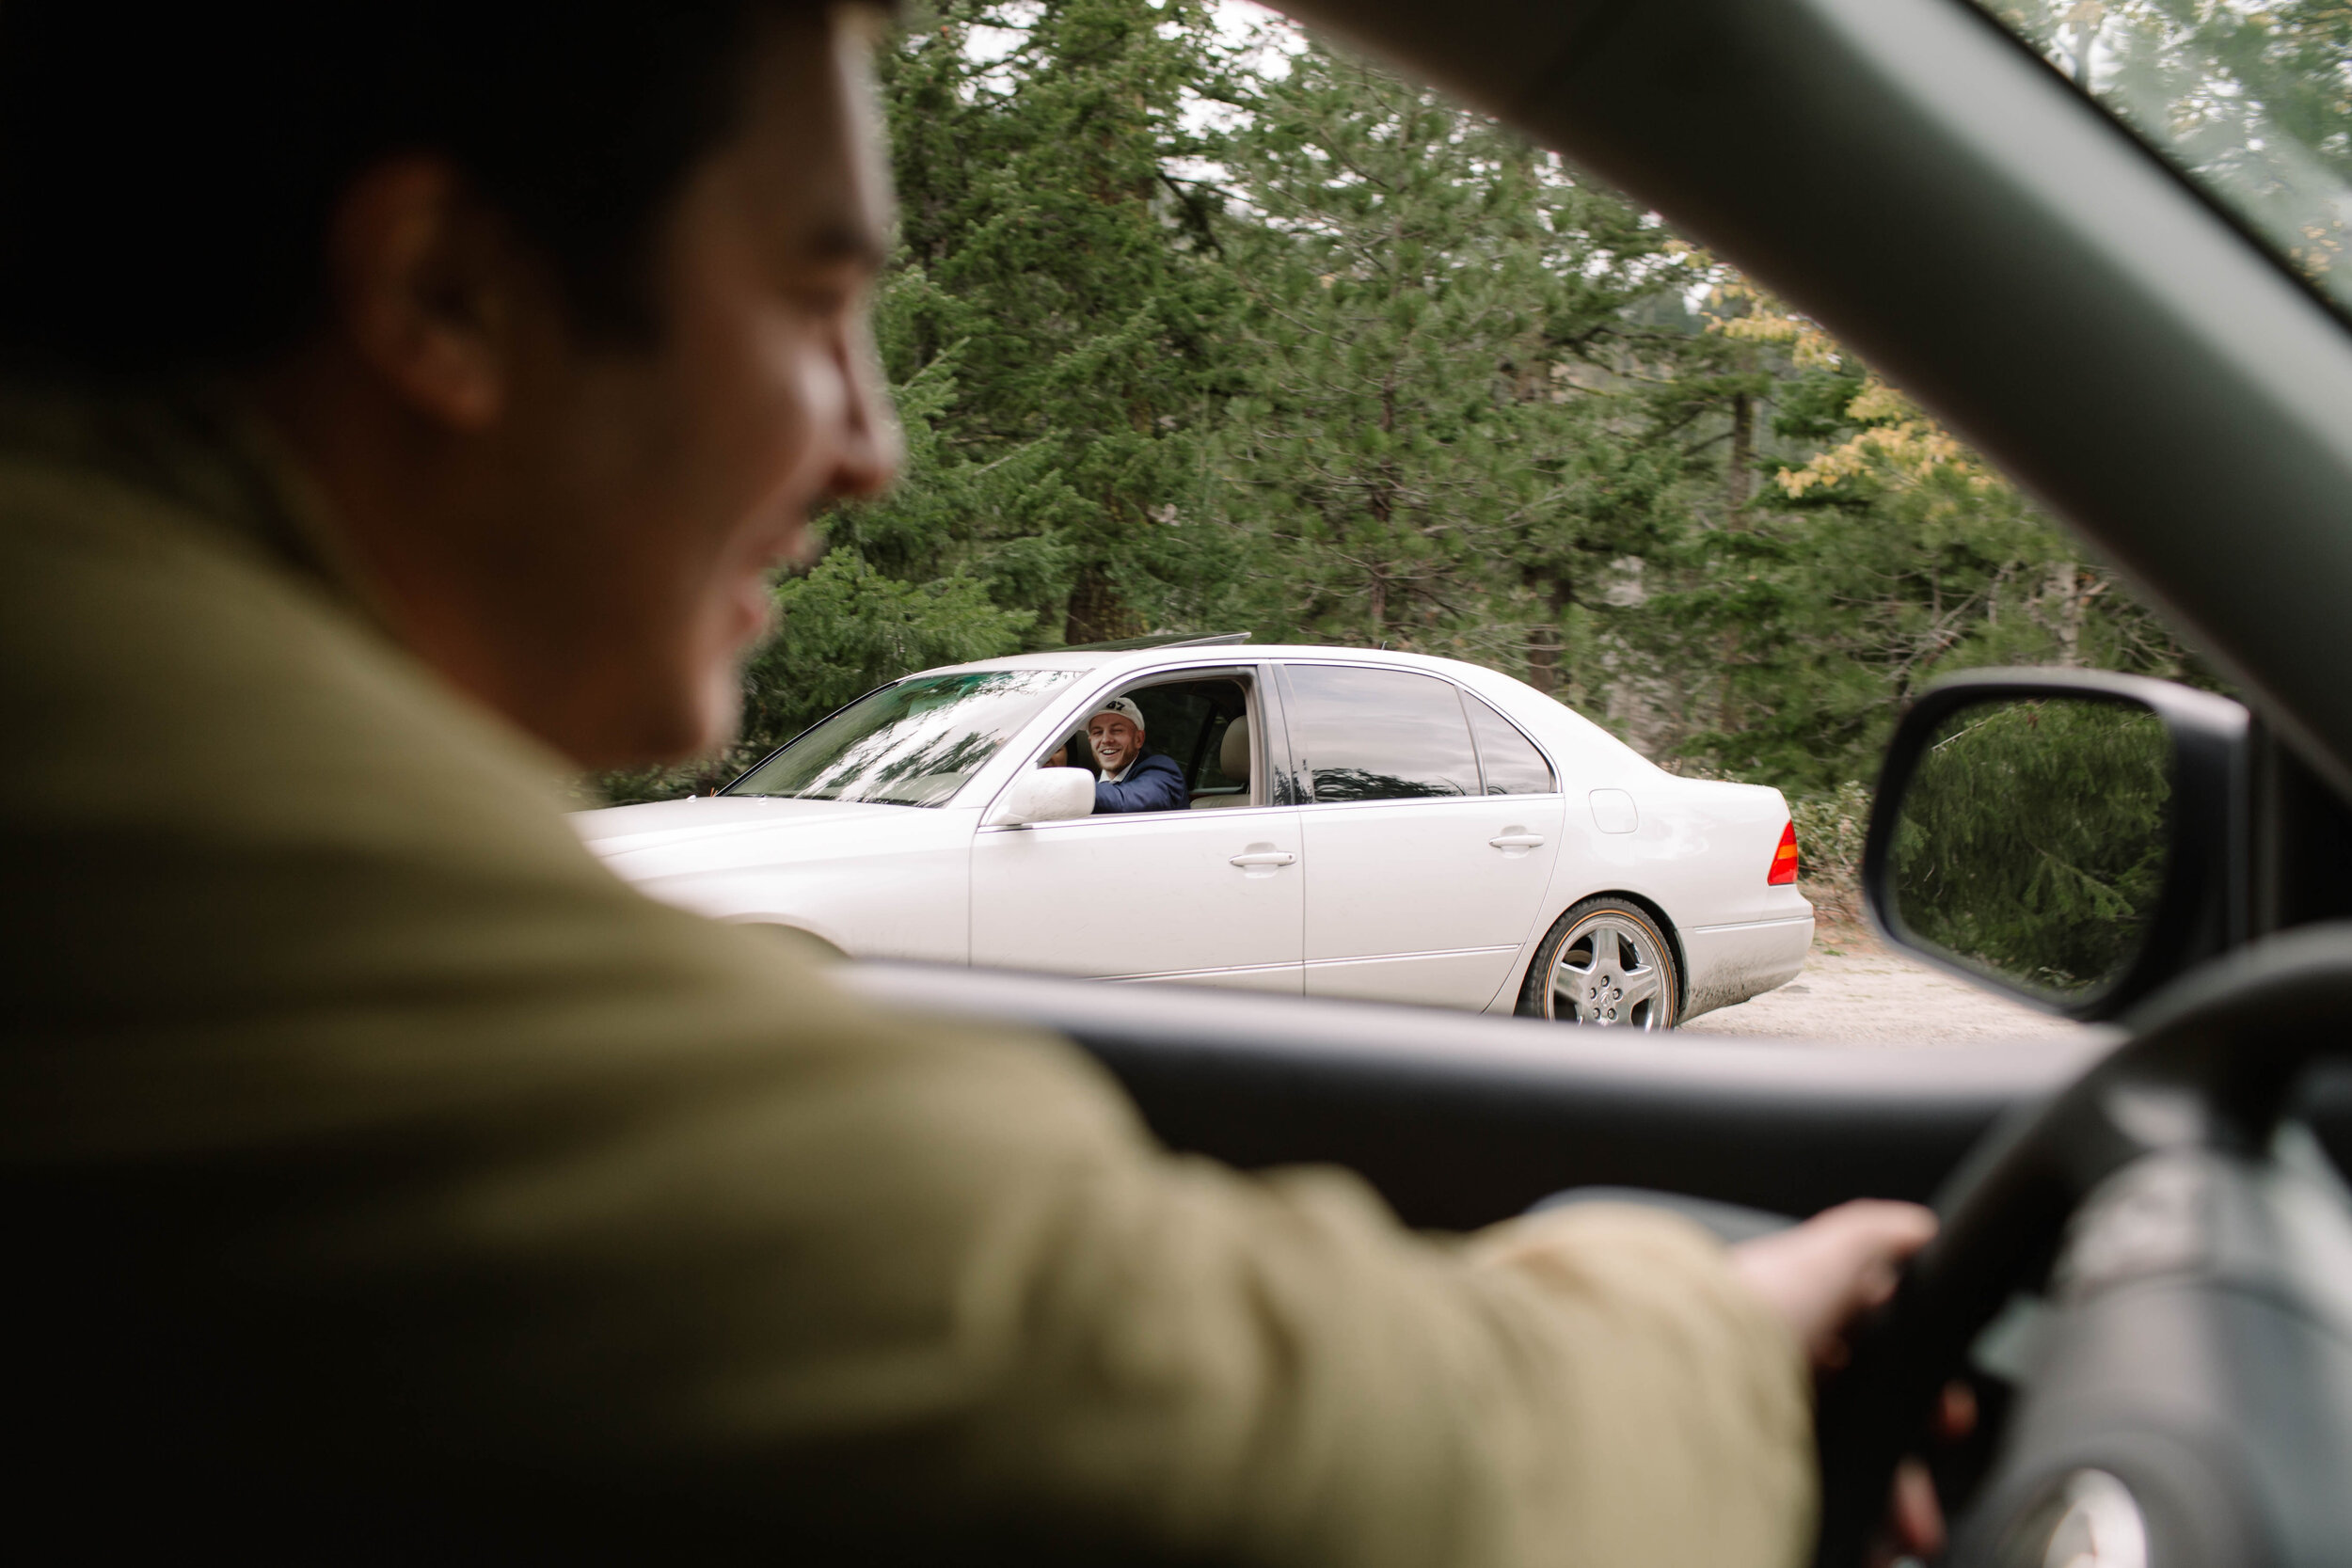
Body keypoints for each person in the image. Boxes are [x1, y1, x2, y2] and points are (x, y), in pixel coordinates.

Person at [0, 1, 1940, 1560]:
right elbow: (1185, 1427)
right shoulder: (161, 817)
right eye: (812, 293)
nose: (873, 444)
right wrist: (1720, 1326)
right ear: (443, 295)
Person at [1084, 697, 1190, 814]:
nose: (1106, 740)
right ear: (1090, 741)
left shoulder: (1162, 771)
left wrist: (1075, 791)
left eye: (1117, 731)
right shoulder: (1095, 785)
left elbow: (1129, 802)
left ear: (1139, 739)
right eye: (1097, 732)